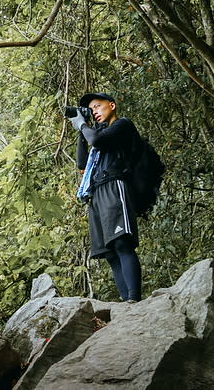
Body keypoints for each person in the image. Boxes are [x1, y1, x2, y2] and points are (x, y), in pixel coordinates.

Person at [69, 93, 143, 302]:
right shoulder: (96, 132)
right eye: (91, 110)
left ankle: (134, 298)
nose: (94, 112)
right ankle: (124, 300)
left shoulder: (122, 125)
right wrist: (80, 130)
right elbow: (82, 165)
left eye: (97, 106)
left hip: (115, 185)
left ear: (112, 105)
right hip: (96, 191)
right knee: (109, 252)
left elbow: (99, 141)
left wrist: (84, 125)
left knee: (121, 244)